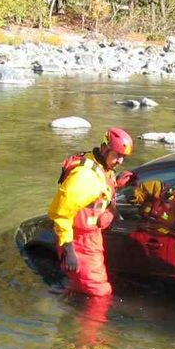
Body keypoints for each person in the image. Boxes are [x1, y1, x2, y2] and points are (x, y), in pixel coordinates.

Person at [48, 127, 136, 297]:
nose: (120, 161)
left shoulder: (100, 166)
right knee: (100, 294)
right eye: (117, 155)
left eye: (123, 157)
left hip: (91, 237)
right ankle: (90, 323)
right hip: (79, 241)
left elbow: (98, 191)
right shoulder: (84, 176)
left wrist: (117, 183)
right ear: (104, 148)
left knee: (80, 284)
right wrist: (70, 251)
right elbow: (60, 214)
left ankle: (61, 303)